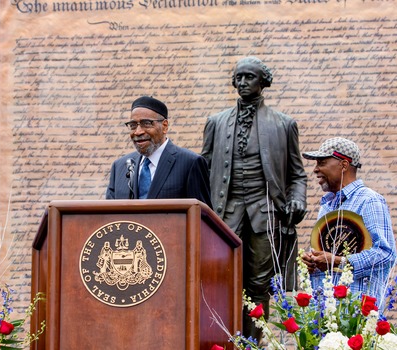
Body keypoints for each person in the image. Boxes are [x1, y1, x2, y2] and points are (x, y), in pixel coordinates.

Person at [200, 56, 307, 342]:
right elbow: (203, 170)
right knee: (221, 278)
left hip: (265, 214)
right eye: (239, 77)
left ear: (264, 82)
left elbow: (297, 175)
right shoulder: (216, 122)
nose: (243, 82)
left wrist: (298, 200)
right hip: (226, 213)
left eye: (250, 77)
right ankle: (223, 340)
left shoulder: (284, 125)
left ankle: (254, 343)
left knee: (259, 283)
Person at [301, 137, 396, 306]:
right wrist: (312, 262)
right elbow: (325, 258)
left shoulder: (370, 201)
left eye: (322, 162)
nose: (315, 169)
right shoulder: (326, 206)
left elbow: (386, 255)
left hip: (357, 317)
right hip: (326, 315)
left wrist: (339, 261)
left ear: (344, 165)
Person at [106, 96, 212, 208]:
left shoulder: (190, 163)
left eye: (146, 123)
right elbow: (108, 216)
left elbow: (201, 217)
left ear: (164, 126)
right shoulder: (119, 167)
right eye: (133, 125)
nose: (138, 132)